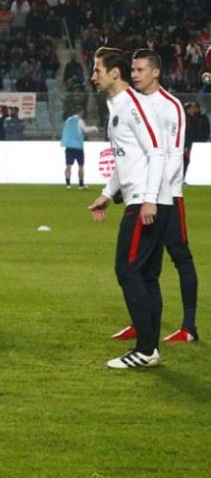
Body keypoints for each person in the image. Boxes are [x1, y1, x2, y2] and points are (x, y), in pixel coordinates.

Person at [107, 49, 199, 344]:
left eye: (140, 69)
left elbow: (173, 155)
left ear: (156, 72)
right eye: (132, 70)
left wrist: (155, 191)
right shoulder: (132, 103)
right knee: (148, 265)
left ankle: (189, 326)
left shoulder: (171, 106)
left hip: (167, 194)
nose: (134, 75)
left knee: (180, 254)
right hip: (147, 194)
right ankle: (143, 322)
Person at [87, 47, 167, 369]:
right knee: (144, 276)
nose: (94, 76)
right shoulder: (117, 106)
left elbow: (157, 151)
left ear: (114, 73)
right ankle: (149, 349)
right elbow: (126, 160)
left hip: (145, 202)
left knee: (127, 270)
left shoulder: (133, 105)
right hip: (140, 199)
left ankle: (145, 350)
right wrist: (107, 194)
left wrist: (148, 198)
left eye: (97, 70)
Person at [60, 105, 98, 189]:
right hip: (78, 146)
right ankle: (81, 184)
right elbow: (85, 129)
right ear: (80, 112)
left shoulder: (68, 120)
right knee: (81, 166)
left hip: (69, 146)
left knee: (68, 165)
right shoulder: (80, 121)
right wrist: (94, 128)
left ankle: (68, 184)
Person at [184, 102, 209, 175]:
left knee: (197, 161)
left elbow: (205, 131)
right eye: (189, 108)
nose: (192, 109)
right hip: (188, 144)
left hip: (197, 143)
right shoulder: (186, 118)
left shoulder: (202, 118)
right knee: (187, 161)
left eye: (192, 108)